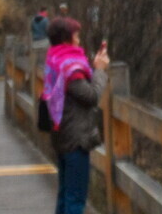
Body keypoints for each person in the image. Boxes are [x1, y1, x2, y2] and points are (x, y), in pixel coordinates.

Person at [42, 16, 109, 214]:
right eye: (76, 35)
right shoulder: (70, 67)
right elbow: (91, 96)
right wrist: (100, 71)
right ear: (66, 38)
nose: (79, 40)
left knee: (65, 194)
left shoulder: (53, 59)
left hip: (61, 134)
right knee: (75, 198)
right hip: (75, 138)